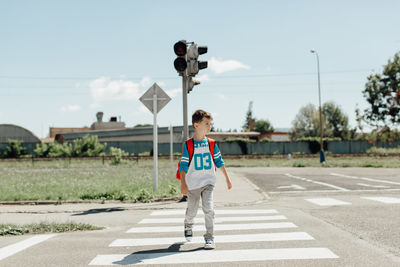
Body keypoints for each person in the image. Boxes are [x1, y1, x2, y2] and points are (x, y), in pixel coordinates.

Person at [179, 109, 232, 249]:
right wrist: (183, 184)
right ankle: (188, 224)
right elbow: (183, 165)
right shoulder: (188, 145)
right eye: (206, 123)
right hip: (193, 184)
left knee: (209, 208)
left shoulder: (212, 144)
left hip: (208, 182)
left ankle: (209, 238)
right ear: (196, 125)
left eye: (210, 123)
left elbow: (220, 162)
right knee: (192, 210)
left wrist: (227, 179)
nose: (210, 126)